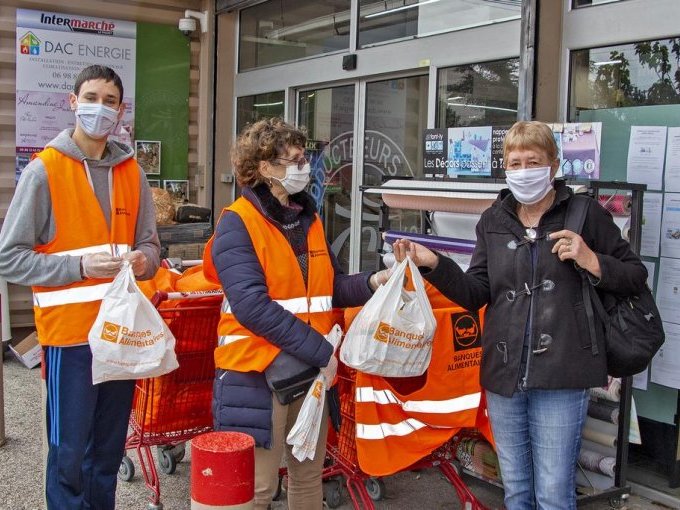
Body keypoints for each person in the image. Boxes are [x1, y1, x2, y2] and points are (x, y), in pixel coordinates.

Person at [392, 120, 647, 510]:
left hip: (564, 374)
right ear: (505, 168)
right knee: (516, 491)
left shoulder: (585, 215)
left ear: (554, 164)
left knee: (553, 494)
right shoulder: (494, 220)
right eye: (515, 162)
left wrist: (591, 259)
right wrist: (434, 264)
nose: (523, 170)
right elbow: (477, 291)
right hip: (504, 374)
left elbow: (634, 275)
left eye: (533, 161)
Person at [203, 117, 390, 509]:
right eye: (294, 160)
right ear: (265, 168)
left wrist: (376, 282)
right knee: (258, 488)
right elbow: (253, 307)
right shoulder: (237, 223)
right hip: (257, 374)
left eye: (305, 158)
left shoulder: (309, 220)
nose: (304, 167)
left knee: (307, 481)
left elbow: (330, 289)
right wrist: (322, 352)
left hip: (308, 375)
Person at [0, 65, 160, 509]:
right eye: (91, 97)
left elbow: (151, 245)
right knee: (69, 453)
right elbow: (9, 257)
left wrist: (145, 259)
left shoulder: (132, 172)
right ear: (72, 102)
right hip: (69, 338)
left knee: (106, 452)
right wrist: (79, 266)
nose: (100, 109)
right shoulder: (44, 171)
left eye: (110, 101)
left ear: (121, 110)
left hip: (120, 334)